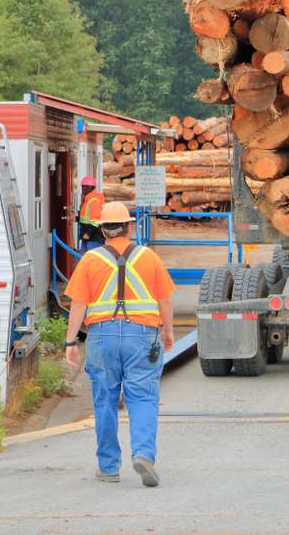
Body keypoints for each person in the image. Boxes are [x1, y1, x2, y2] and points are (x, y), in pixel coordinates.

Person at [63, 201, 176, 487]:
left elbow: (78, 304)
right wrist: (168, 332)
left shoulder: (90, 261)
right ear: (129, 226)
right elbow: (165, 299)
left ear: (102, 230)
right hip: (142, 335)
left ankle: (109, 467)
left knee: (105, 401)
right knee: (143, 398)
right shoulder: (148, 257)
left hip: (102, 337)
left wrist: (70, 341)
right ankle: (143, 455)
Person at [78, 176, 105, 252]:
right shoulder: (86, 200)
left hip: (94, 237)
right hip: (86, 236)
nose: (83, 188)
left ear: (91, 188)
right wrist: (77, 218)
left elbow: (95, 221)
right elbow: (85, 218)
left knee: (92, 260)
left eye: (86, 186)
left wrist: (88, 233)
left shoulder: (94, 201)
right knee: (84, 260)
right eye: (83, 186)